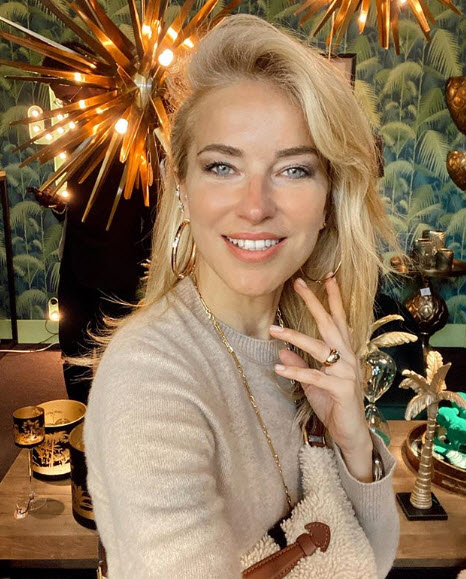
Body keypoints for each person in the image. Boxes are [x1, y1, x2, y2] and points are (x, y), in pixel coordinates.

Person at [84, 14, 400, 578]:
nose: (255, 206)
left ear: (329, 200)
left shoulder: (306, 347)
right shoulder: (149, 378)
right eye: (223, 166)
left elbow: (370, 559)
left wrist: (353, 438)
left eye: (294, 170)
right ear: (180, 183)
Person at [32, 44, 156, 405]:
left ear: (87, 79)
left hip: (117, 262)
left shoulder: (132, 129)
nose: (61, 100)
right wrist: (62, 206)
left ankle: (114, 424)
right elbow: (87, 198)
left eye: (63, 90)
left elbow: (145, 202)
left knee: (117, 355)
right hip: (79, 259)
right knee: (74, 350)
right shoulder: (78, 130)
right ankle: (80, 421)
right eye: (55, 93)